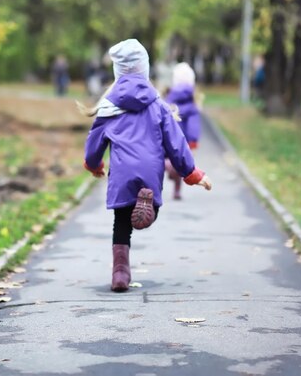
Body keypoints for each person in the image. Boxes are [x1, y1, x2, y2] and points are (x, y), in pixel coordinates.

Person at [79, 39, 212, 292]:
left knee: (121, 223)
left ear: (117, 72)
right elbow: (176, 143)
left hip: (121, 173)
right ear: (145, 69)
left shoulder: (109, 106)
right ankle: (146, 212)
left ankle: (120, 273)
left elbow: (95, 141)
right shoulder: (158, 105)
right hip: (150, 172)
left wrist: (94, 164)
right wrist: (192, 173)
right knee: (147, 211)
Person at [164, 62, 201, 200]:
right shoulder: (192, 105)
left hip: (167, 138)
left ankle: (165, 168)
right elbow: (193, 125)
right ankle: (177, 190)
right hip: (182, 142)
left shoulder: (169, 99)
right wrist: (193, 142)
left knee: (163, 162)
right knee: (181, 167)